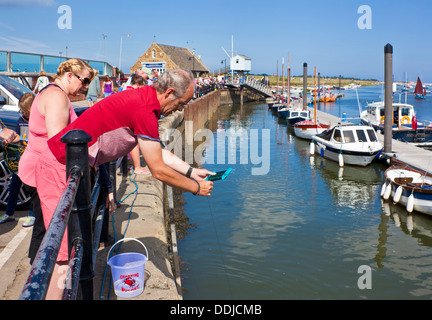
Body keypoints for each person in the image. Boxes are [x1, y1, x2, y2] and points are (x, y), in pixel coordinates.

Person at [37, 69, 214, 299]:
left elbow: (155, 150)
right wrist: (195, 188)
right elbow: (157, 169)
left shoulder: (145, 99)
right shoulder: (144, 109)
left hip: (72, 166)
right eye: (182, 103)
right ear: (170, 92)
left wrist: (192, 171)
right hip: (58, 166)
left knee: (74, 247)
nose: (181, 109)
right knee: (62, 255)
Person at [18, 58, 96, 299]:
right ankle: (40, 283)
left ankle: (40, 278)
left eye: (89, 82)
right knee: (49, 233)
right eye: (84, 81)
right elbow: (57, 142)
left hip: (38, 170)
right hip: (43, 173)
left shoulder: (50, 92)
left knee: (45, 230)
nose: (86, 87)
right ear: (69, 75)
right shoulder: (57, 96)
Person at [0, 92, 35, 226]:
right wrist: (9, 140)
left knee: (31, 188)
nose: (23, 114)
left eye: (25, 111)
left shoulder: (37, 120)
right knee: (14, 186)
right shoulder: (21, 120)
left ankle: (32, 215)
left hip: (32, 158)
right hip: (21, 158)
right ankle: (9, 213)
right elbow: (19, 137)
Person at [126, 74, 150, 174]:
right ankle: (137, 167)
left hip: (125, 121)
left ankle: (127, 165)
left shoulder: (126, 90)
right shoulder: (134, 92)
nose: (143, 89)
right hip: (130, 121)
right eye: (142, 86)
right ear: (137, 84)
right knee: (134, 143)